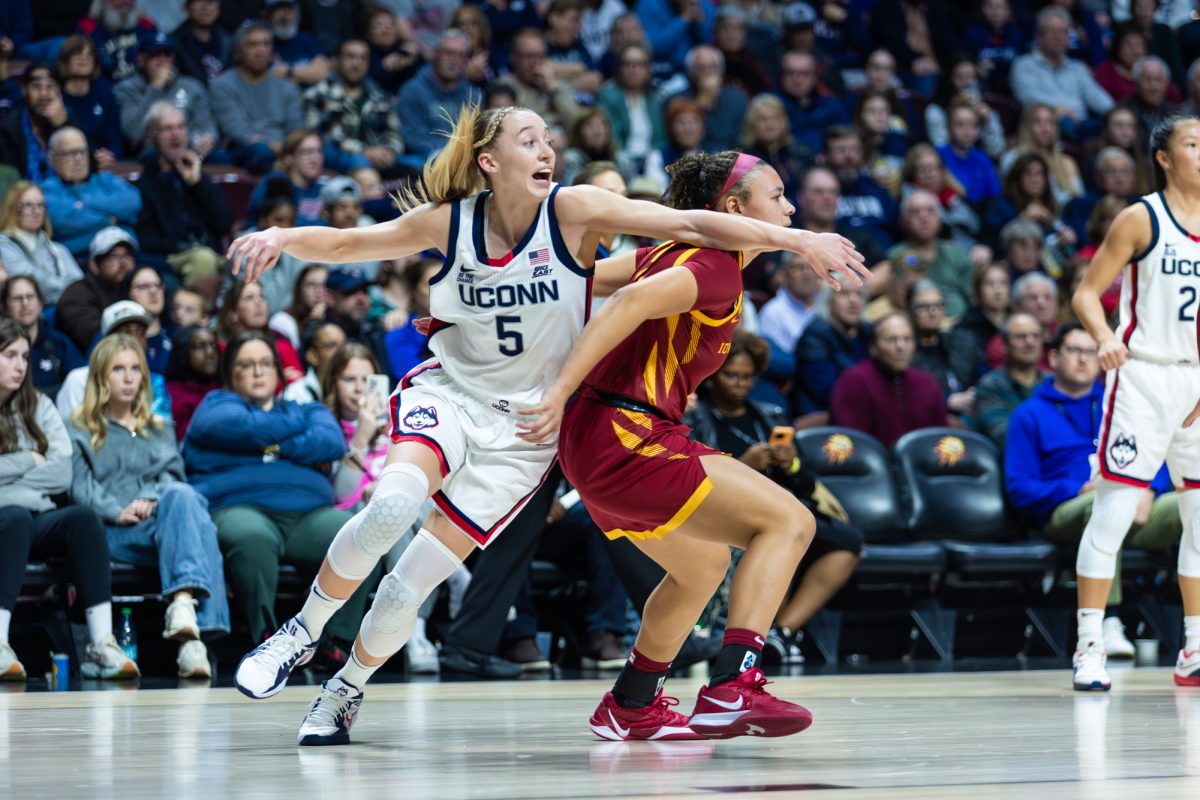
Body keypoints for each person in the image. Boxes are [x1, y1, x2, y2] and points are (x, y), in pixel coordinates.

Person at [226, 104, 863, 745]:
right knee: (392, 508)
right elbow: (348, 244)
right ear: (489, 160)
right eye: (528, 139)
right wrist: (282, 236)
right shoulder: (460, 225)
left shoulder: (588, 217)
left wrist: (788, 244)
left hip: (532, 435)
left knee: (417, 585)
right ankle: (302, 632)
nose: (546, 150)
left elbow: (652, 245)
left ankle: (353, 692)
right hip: (497, 403)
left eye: (548, 140)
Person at [529, 151, 864, 740]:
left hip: (595, 440)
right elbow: (627, 303)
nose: (789, 207)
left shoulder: (669, 252)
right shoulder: (715, 266)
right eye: (779, 194)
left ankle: (631, 702)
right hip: (623, 433)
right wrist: (557, 389)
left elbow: (570, 283)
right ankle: (733, 684)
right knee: (789, 522)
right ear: (734, 208)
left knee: (702, 564)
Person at [1073, 113, 1200, 692]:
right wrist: (1103, 338)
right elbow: (1085, 293)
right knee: (1115, 514)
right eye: (1193, 144)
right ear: (1166, 158)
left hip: (1197, 382)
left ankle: (1193, 649)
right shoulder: (1141, 217)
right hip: (1143, 378)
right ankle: (1091, 644)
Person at [183, 330, 378, 662]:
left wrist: (268, 445)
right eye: (247, 364)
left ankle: (335, 641)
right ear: (232, 372)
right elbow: (230, 425)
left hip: (309, 513)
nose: (258, 371)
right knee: (252, 539)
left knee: (363, 534)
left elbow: (330, 440)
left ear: (278, 370)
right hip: (240, 507)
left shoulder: (308, 408)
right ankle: (268, 643)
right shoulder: (216, 404)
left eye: (265, 363)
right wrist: (290, 441)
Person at [685, 330, 863, 664]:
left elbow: (808, 484)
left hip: (783, 506)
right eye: (732, 375)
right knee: (780, 534)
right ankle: (755, 634)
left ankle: (780, 631)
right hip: (724, 513)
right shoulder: (696, 417)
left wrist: (790, 462)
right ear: (713, 376)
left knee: (849, 541)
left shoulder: (771, 416)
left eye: (748, 377)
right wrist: (744, 466)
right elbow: (691, 478)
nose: (740, 383)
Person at [1006, 322, 1180, 657]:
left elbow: (1158, 458)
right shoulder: (1029, 414)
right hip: (1068, 511)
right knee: (1105, 505)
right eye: (1075, 351)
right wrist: (1079, 489)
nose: (1084, 360)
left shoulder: (1120, 405)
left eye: (1091, 352)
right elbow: (1019, 487)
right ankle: (1107, 622)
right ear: (1054, 357)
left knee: (1192, 505)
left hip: (1135, 506)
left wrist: (1150, 490)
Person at [69, 333, 228, 679]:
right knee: (202, 526)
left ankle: (185, 613)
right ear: (100, 376)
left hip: (161, 528)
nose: (128, 378)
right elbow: (79, 487)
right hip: (111, 534)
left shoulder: (158, 427)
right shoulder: (79, 428)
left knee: (183, 498)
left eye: (135, 370)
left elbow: (174, 477)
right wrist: (117, 510)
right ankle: (196, 639)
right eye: (118, 370)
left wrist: (153, 498)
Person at [0, 317, 138, 682]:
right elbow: (43, 468)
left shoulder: (38, 406)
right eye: (9, 355)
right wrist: (28, 461)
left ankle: (101, 644)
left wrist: (10, 476)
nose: (19, 365)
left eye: (25, 357)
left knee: (82, 519)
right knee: (13, 516)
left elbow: (62, 472)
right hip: (9, 519)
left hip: (35, 516)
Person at [135, 102, 233, 291]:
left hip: (211, 253)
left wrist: (197, 183)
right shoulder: (145, 184)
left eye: (181, 127)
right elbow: (149, 241)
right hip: (173, 257)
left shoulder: (197, 178)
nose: (176, 134)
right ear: (153, 135)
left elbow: (224, 224)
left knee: (249, 254)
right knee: (203, 258)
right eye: (168, 128)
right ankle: (201, 318)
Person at [828, 312, 947, 447]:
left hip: (922, 466)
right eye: (891, 340)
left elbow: (941, 442)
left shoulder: (927, 383)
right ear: (873, 347)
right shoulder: (853, 382)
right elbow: (851, 446)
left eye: (907, 339)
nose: (901, 347)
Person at [210, 22, 304, 174]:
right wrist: (275, 147)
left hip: (284, 150)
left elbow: (296, 128)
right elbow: (236, 130)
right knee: (261, 151)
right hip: (244, 150)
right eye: (253, 45)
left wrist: (289, 148)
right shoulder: (222, 86)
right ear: (237, 52)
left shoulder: (288, 88)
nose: (261, 50)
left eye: (266, 44)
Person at [41, 126, 142, 264]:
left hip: (127, 253)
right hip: (80, 259)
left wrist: (83, 203)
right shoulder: (48, 189)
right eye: (70, 153)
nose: (78, 159)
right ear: (52, 159)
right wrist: (109, 220)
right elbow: (63, 222)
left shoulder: (105, 179)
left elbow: (132, 201)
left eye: (82, 152)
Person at [302, 39, 404, 175]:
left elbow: (394, 131)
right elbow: (320, 136)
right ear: (337, 61)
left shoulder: (380, 96)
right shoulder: (316, 95)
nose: (357, 64)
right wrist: (365, 151)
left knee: (419, 165)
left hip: (379, 155)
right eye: (351, 57)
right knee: (358, 162)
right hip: (339, 155)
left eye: (363, 58)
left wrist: (390, 151)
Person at [55, 227, 136, 354]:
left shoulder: (132, 287)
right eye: (114, 256)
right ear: (94, 264)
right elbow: (97, 340)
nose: (123, 263)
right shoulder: (76, 295)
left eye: (127, 255)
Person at [0, 181, 82, 306]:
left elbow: (81, 287)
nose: (36, 211)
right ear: (12, 208)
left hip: (66, 309)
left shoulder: (58, 249)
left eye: (40, 205)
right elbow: (35, 285)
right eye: (27, 205)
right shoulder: (3, 246)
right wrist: (67, 290)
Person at [1, 275, 82, 399]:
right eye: (17, 298)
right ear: (4, 306)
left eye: (30, 296)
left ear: (40, 303)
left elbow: (79, 384)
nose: (25, 303)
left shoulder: (60, 343)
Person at [975, 311, 1047, 447]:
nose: (1030, 342)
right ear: (1004, 345)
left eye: (1036, 336)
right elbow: (1004, 435)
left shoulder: (1053, 382)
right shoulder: (990, 385)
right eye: (1021, 337)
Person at [215, 280, 304, 385]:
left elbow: (298, 380)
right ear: (233, 313)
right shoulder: (221, 349)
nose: (258, 302)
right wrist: (280, 380)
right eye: (249, 298)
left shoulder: (281, 342)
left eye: (262, 296)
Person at [164, 324, 220, 442]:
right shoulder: (171, 396)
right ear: (183, 351)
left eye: (213, 345)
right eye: (200, 346)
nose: (210, 352)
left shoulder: (222, 386)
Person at [283, 321, 346, 405]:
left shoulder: (355, 392)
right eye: (331, 346)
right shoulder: (295, 396)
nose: (342, 352)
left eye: (344, 345)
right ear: (312, 356)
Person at [270, 263, 328, 350]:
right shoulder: (283, 321)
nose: (319, 291)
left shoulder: (338, 315)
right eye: (311, 285)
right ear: (299, 289)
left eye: (324, 285)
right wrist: (313, 323)